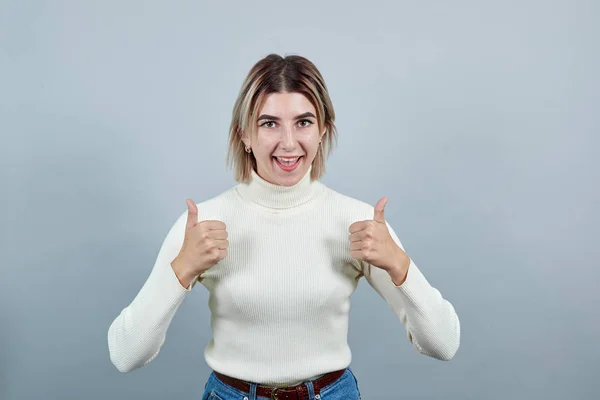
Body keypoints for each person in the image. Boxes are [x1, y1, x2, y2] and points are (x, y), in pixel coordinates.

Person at [107, 53, 460, 400]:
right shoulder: (201, 225)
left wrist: (400, 265)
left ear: (323, 131)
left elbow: (444, 345)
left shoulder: (358, 221)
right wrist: (181, 269)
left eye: (303, 122)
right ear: (244, 134)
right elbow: (126, 355)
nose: (289, 143)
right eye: (269, 123)